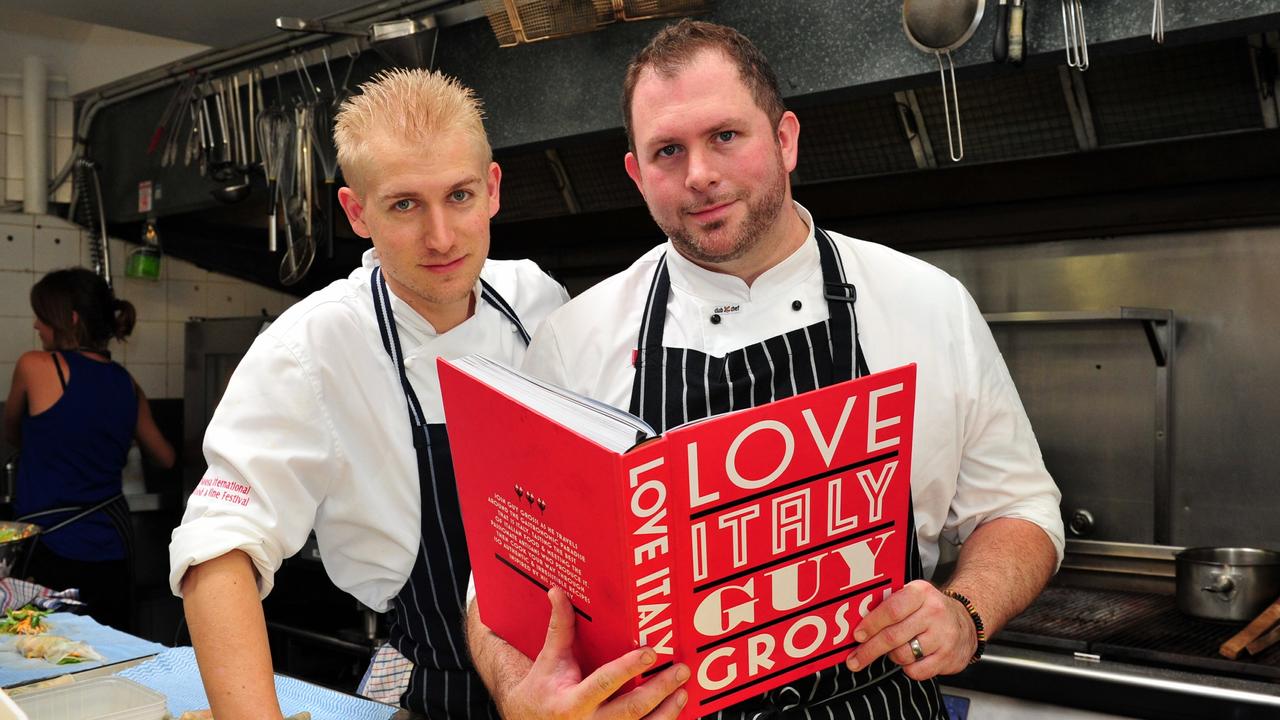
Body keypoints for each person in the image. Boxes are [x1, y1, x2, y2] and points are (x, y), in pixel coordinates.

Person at [466, 20, 1065, 720]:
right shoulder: (578, 339)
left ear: (785, 139)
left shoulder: (925, 304)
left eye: (725, 136)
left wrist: (966, 612)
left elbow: (1019, 508)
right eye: (667, 151)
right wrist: (520, 695)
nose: (699, 175)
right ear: (636, 175)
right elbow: (499, 576)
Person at [169, 69, 568, 720]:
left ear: (492, 190)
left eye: (459, 196)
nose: (441, 237)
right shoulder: (313, 348)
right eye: (405, 205)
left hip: (561, 680)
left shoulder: (537, 301)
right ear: (358, 212)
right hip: (428, 684)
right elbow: (218, 545)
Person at [3, 267, 176, 631]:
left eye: (42, 316)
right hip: (112, 549)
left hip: (52, 550)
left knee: (45, 655)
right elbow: (166, 457)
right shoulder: (127, 384)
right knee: (110, 654)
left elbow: (11, 432)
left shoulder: (34, 366)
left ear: (71, 319)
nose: (36, 326)